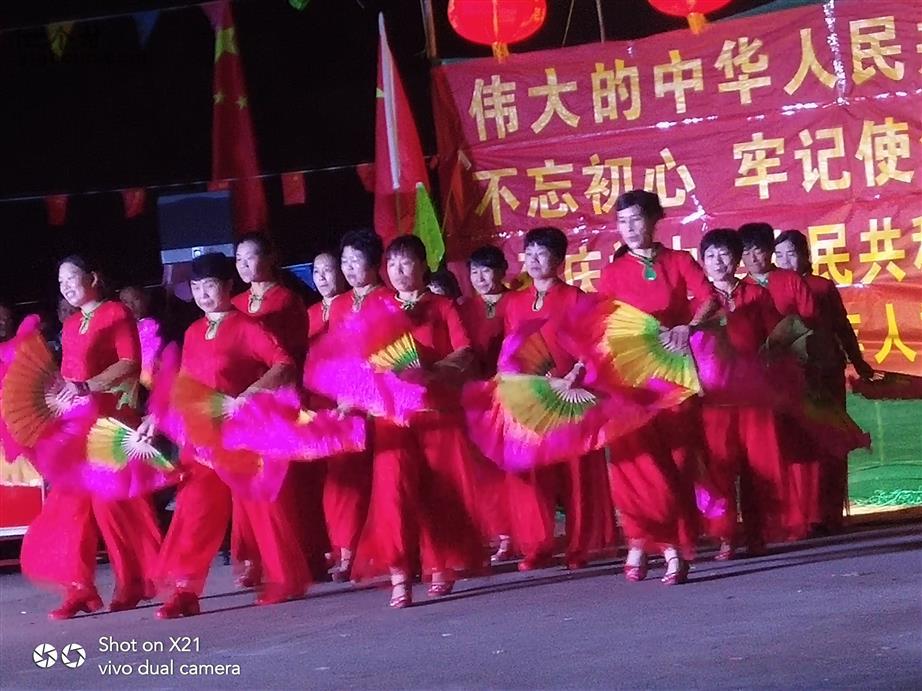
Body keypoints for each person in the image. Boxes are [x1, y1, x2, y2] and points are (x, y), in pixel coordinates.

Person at [152, 253, 307, 618]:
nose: (203, 294)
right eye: (196, 287)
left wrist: (251, 393)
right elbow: (186, 382)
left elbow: (284, 363)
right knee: (194, 512)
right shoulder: (193, 331)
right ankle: (184, 591)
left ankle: (282, 580)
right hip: (203, 438)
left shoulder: (247, 327)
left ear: (227, 286)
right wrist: (158, 418)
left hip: (242, 434)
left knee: (261, 509)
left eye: (210, 286)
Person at [19, 255, 162, 619]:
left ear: (93, 278)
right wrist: (60, 399)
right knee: (68, 508)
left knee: (112, 507)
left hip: (109, 422)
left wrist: (88, 386)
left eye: (72, 278)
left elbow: (130, 363)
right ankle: (78, 588)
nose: (66, 286)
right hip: (76, 426)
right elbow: (70, 376)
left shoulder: (116, 312)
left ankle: (132, 582)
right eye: (61, 282)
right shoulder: (70, 325)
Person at [353, 235, 485, 607]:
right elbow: (361, 357)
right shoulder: (377, 307)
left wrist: (433, 372)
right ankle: (399, 573)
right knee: (393, 494)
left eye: (406, 262)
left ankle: (440, 566)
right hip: (393, 418)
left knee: (438, 494)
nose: (398, 270)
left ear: (423, 265)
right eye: (392, 264)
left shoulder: (442, 306)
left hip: (436, 414)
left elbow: (465, 352)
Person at [597, 190, 718, 584]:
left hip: (673, 373)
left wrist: (689, 326)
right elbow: (602, 324)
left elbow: (710, 298)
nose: (629, 228)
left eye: (636, 219)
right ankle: (653, 544)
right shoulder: (613, 273)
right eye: (622, 222)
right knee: (636, 463)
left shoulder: (678, 261)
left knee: (678, 463)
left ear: (653, 220)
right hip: (630, 378)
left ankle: (664, 544)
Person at [503, 227, 615, 572]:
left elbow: (594, 343)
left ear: (559, 260)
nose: (534, 260)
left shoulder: (575, 297)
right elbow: (511, 347)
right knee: (533, 474)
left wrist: (576, 373)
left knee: (576, 473)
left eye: (542, 253)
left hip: (570, 393)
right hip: (531, 395)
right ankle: (537, 545)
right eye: (529, 253)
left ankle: (580, 546)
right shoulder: (515, 302)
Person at [232, 233, 325, 585]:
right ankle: (253, 555)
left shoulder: (287, 300)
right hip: (242, 402)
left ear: (270, 258)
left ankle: (300, 555)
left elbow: (292, 355)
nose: (243, 265)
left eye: (250, 257)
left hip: (278, 398)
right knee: (245, 479)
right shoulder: (236, 302)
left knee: (285, 483)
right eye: (238, 259)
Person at [697, 229, 791, 558]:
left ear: (737, 258)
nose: (717, 261)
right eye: (710, 255)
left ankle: (757, 533)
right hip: (715, 398)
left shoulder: (756, 294)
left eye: (724, 254)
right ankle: (725, 535)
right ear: (702, 261)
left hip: (754, 397)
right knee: (720, 466)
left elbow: (776, 339)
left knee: (759, 465)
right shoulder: (698, 301)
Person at [775, 229, 875, 531]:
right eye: (779, 255)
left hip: (825, 372)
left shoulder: (821, 286)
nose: (785, 261)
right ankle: (800, 515)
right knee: (797, 444)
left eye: (791, 254)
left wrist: (858, 360)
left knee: (830, 439)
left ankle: (829, 513)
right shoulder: (771, 287)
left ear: (806, 255)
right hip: (789, 377)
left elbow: (842, 327)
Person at [738, 223, 819, 538]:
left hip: (791, 374)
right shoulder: (738, 289)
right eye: (745, 252)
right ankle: (768, 519)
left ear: (769, 251)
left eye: (758, 250)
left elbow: (809, 323)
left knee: (798, 444)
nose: (752, 258)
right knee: (763, 451)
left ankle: (802, 516)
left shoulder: (790, 280)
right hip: (753, 385)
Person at [459, 246, 512, 562]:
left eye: (486, 270)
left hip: (511, 393)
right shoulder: (463, 308)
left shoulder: (516, 302)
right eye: (474, 271)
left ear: (502, 271)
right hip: (476, 397)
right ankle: (499, 532)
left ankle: (519, 531)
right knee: (484, 468)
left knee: (511, 465)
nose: (479, 278)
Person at [307, 251, 346, 340]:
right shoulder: (311, 313)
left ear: (341, 272)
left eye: (327, 270)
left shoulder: (354, 306)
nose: (321, 277)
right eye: (316, 271)